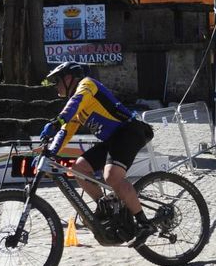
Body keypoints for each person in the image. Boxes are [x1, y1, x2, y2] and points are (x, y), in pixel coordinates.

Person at [39, 61, 157, 247]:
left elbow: (75, 103)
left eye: (57, 81)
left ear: (69, 78)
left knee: (112, 176)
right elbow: (65, 131)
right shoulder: (77, 109)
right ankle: (106, 207)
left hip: (130, 131)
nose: (56, 86)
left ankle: (144, 223)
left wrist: (57, 120)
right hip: (113, 139)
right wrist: (51, 152)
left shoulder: (87, 85)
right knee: (79, 168)